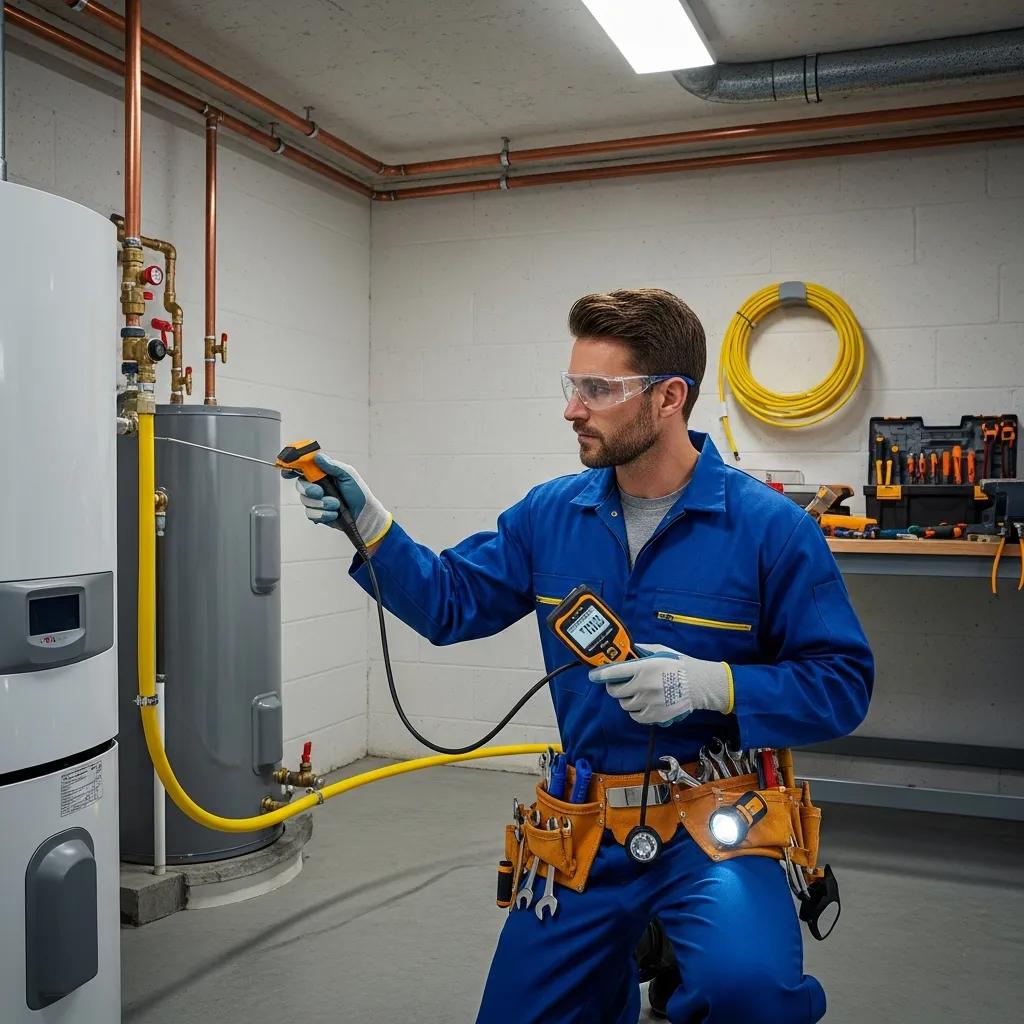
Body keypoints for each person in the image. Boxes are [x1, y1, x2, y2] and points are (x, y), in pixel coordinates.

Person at [286, 288, 873, 1023]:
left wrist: (711, 685)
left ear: (668, 398)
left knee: (750, 993)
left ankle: (685, 958)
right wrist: (371, 527)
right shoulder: (549, 514)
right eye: (573, 386)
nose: (573, 409)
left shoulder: (770, 531)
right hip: (583, 830)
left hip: (716, 825)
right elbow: (449, 603)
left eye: (598, 389)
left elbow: (843, 683)